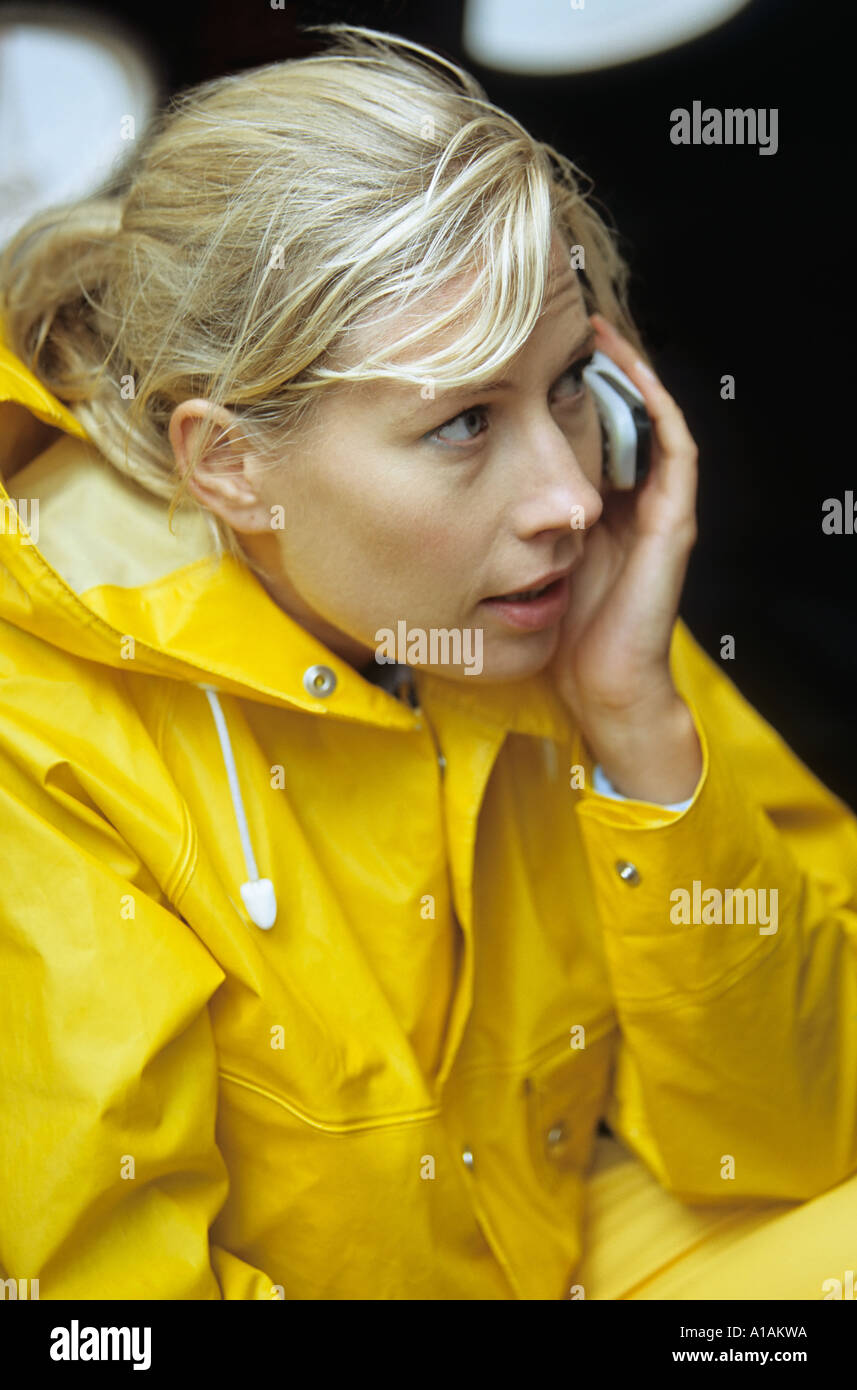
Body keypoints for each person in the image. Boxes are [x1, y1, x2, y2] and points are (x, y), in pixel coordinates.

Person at [0, 23, 855, 1302]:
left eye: (569, 383)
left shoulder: (523, 588)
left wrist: (637, 727)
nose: (568, 494)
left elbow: (794, 1132)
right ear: (228, 463)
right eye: (462, 420)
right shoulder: (40, 730)